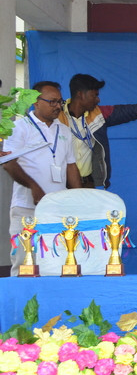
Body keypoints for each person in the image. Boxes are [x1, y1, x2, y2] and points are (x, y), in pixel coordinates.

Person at [2, 81, 81, 276]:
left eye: (60, 102)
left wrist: (79, 198)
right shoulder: (19, 127)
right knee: (25, 263)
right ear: (35, 102)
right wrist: (33, 187)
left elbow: (71, 166)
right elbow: (9, 163)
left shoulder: (64, 130)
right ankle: (20, 297)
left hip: (57, 209)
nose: (58, 106)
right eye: (52, 101)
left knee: (56, 262)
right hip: (26, 207)